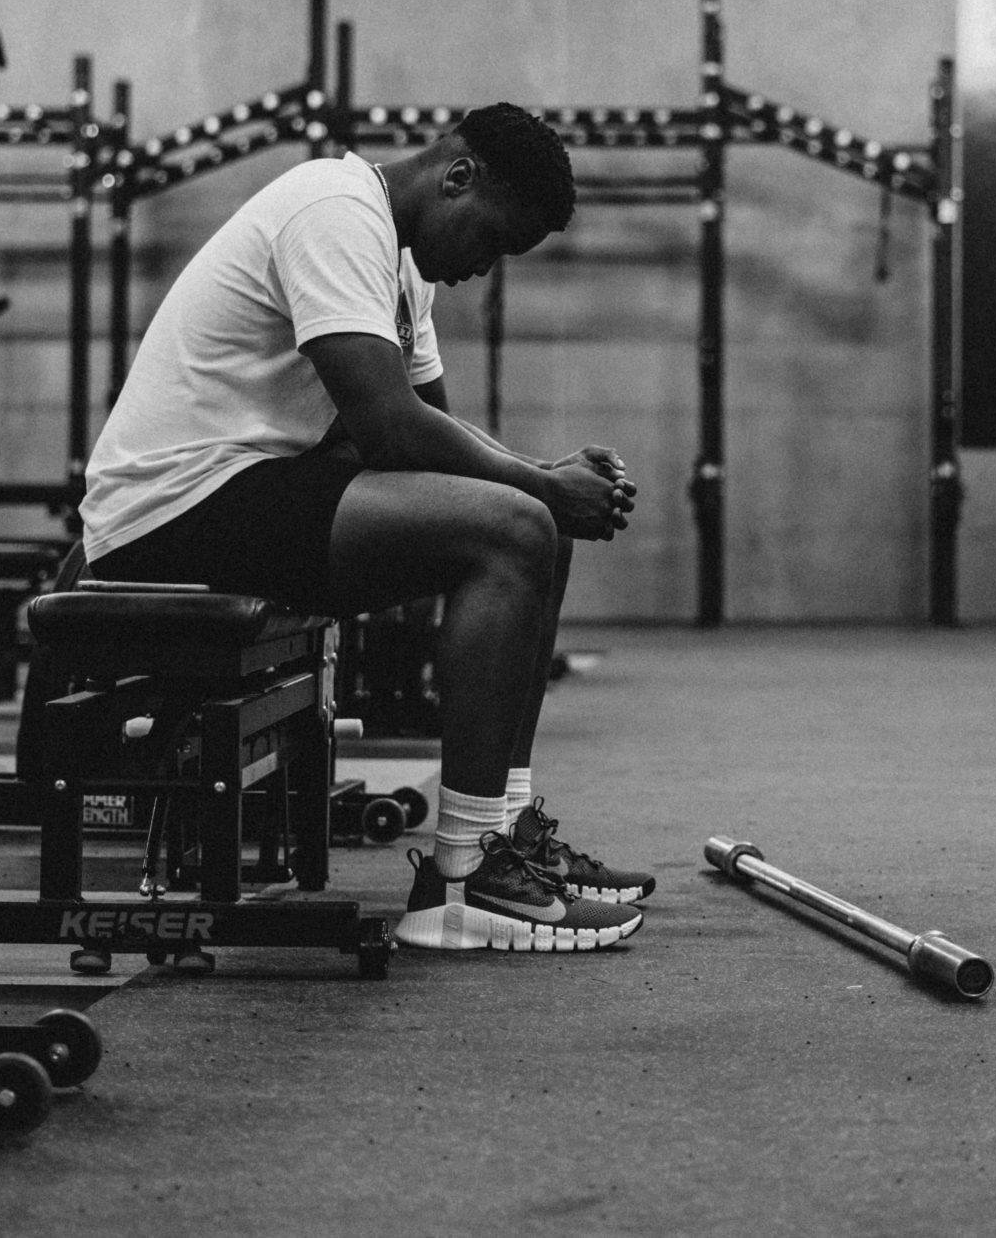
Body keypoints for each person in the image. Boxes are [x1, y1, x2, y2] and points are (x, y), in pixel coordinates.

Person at [79, 103, 651, 953]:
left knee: (534, 527)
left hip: (255, 487)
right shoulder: (333, 212)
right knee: (517, 527)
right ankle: (464, 881)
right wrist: (540, 486)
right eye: (492, 244)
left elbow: (437, 437)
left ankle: (505, 830)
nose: (484, 270)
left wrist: (547, 482)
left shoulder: (402, 263)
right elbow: (389, 429)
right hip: (173, 506)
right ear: (458, 178)